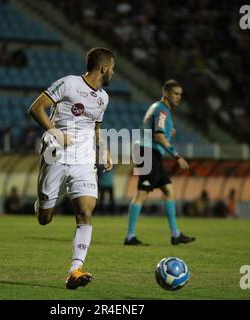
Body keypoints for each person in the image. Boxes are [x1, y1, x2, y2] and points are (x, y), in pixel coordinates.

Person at [28, 47, 114, 289]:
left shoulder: (103, 98)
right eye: (113, 69)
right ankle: (43, 203)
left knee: (86, 211)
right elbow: (36, 108)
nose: (113, 73)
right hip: (55, 153)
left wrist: (103, 149)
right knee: (45, 219)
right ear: (104, 68)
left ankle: (75, 270)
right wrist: (55, 132)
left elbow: (96, 127)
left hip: (84, 160)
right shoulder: (68, 83)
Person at [124, 79, 196, 246]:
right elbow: (158, 136)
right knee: (142, 193)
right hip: (148, 152)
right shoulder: (162, 110)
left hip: (152, 152)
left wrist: (165, 133)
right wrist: (177, 156)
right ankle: (130, 236)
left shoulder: (158, 108)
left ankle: (175, 234)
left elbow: (156, 130)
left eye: (180, 95)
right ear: (166, 93)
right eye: (175, 94)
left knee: (170, 191)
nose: (178, 97)